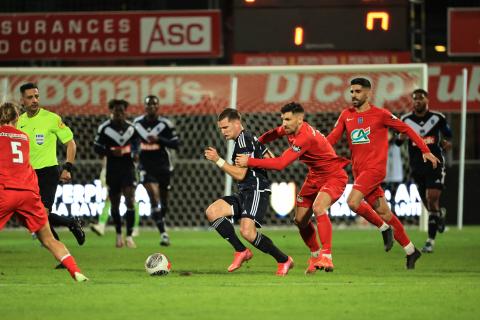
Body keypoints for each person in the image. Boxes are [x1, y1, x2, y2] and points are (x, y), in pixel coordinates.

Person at [327, 78, 440, 269]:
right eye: (352, 91)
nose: (353, 95)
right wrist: (314, 148)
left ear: (368, 93)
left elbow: (407, 129)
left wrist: (425, 150)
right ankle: (411, 251)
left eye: (358, 91)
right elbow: (332, 138)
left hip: (375, 170)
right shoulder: (346, 115)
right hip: (359, 172)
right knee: (385, 213)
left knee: (353, 202)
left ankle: (383, 228)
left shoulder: (380, 114)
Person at [235, 102, 355, 274]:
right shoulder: (289, 128)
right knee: (300, 220)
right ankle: (315, 256)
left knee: (319, 207)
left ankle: (326, 256)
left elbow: (281, 163)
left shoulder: (305, 136)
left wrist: (250, 161)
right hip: (314, 177)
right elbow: (272, 134)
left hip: (333, 176)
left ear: (300, 119)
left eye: (288, 119)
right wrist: (256, 144)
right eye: (283, 119)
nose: (284, 123)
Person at [0, 102, 88, 282]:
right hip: (28, 193)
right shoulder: (24, 138)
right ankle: (76, 271)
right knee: (49, 239)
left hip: (5, 191)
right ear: (17, 118)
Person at [204, 108, 293, 276]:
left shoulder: (244, 140)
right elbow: (271, 159)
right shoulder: (248, 139)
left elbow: (240, 174)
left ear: (237, 123)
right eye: (221, 129)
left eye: (226, 128)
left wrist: (218, 160)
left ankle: (283, 260)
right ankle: (241, 251)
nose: (223, 132)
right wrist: (258, 151)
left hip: (256, 190)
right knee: (213, 212)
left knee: (247, 232)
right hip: (245, 191)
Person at [17, 82, 85, 246]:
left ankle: (63, 242)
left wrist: (67, 167)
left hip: (48, 171)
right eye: (30, 97)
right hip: (27, 174)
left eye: (37, 96)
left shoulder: (51, 118)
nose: (34, 100)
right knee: (34, 217)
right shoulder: (18, 122)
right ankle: (70, 223)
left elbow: (71, 143)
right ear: (22, 101)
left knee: (42, 214)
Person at [396, 89, 452, 253]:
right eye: (415, 99)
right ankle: (439, 215)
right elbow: (399, 142)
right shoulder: (405, 120)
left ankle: (430, 241)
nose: (417, 101)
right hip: (416, 167)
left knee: (432, 197)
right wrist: (400, 138)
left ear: (427, 99)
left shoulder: (438, 118)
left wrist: (445, 143)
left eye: (420, 98)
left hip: (435, 164)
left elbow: (448, 135)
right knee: (429, 204)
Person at [133, 95, 181, 246]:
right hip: (145, 166)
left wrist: (159, 140)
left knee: (164, 202)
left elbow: (176, 143)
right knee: (153, 197)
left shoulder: (165, 124)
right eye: (149, 105)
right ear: (145, 107)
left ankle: (161, 221)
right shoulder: (137, 124)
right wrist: (134, 152)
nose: (151, 107)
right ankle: (163, 234)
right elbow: (132, 141)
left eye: (154, 104)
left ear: (158, 106)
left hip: (163, 166)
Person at [94, 99, 139, 248]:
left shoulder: (132, 129)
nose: (119, 113)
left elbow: (137, 146)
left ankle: (130, 236)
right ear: (111, 111)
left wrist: (135, 153)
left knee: (130, 200)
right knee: (115, 204)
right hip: (112, 170)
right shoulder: (104, 128)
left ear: (125, 112)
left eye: (121, 110)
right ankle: (119, 234)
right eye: (116, 110)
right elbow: (97, 148)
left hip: (128, 169)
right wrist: (111, 151)